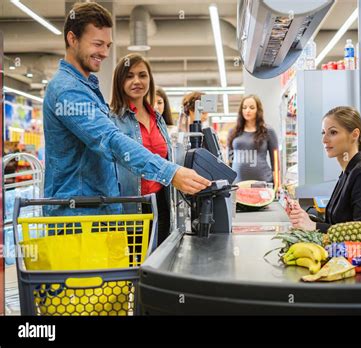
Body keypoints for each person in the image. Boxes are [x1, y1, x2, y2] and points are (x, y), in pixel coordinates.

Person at [43, 2, 210, 217]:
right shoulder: (68, 91)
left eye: (108, 45)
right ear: (72, 39)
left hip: (99, 212)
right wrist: (170, 171)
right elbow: (110, 140)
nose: (104, 53)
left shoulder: (86, 87)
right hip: (77, 221)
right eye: (97, 44)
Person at [287, 106, 361, 234]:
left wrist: (314, 226)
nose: (324, 140)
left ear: (354, 135)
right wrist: (305, 219)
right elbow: (337, 224)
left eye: (333, 132)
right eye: (323, 133)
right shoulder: (347, 173)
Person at [109, 54, 174, 246]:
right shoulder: (112, 119)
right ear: (119, 81)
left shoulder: (158, 119)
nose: (137, 81)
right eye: (129, 76)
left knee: (158, 268)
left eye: (142, 75)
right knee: (134, 269)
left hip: (161, 206)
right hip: (129, 209)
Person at [227, 94, 279, 184]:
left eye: (252, 107)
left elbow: (275, 161)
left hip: (263, 183)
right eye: (244, 107)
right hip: (238, 184)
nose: (247, 111)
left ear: (258, 110)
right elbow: (229, 160)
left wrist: (278, 184)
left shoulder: (268, 131)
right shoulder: (233, 132)